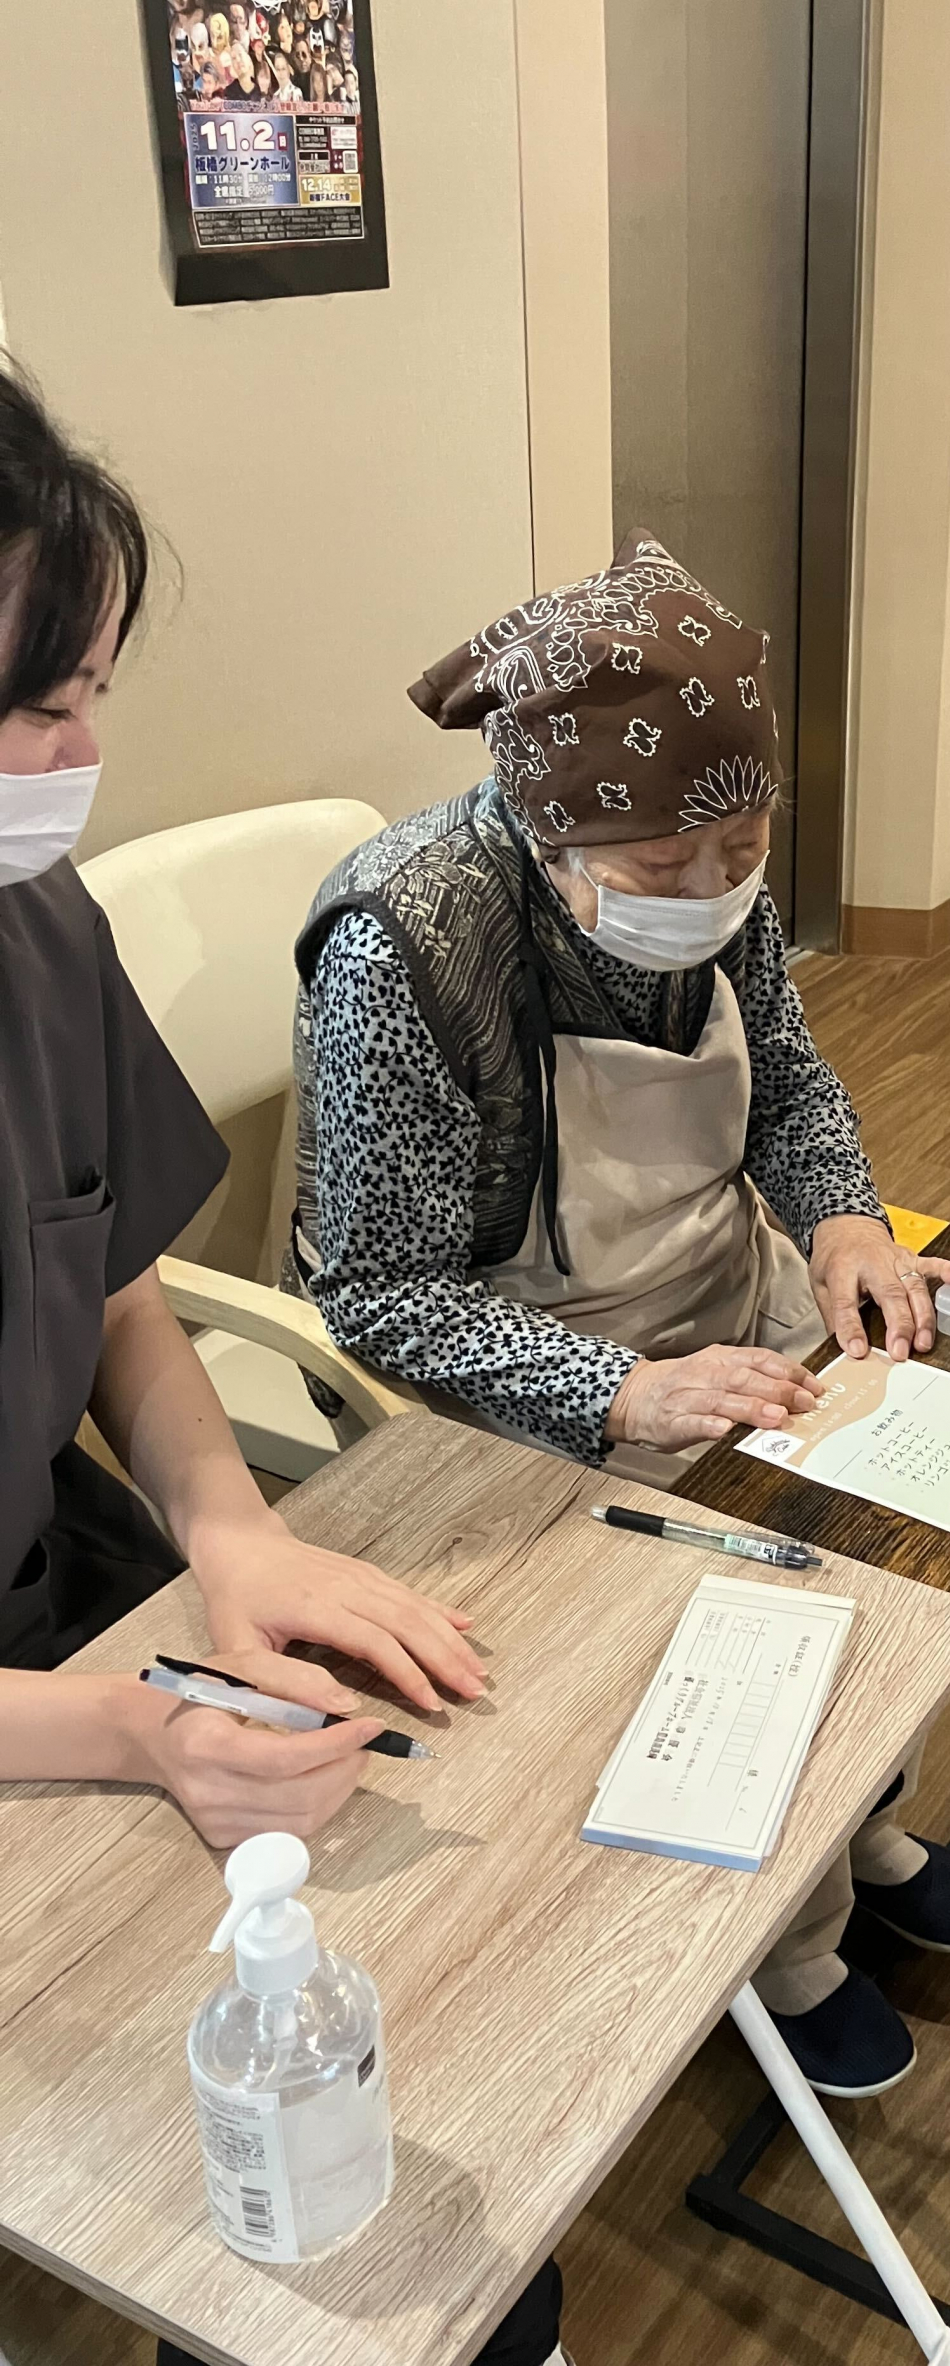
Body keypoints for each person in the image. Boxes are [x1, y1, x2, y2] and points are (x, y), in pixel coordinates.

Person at [0, 372, 576, 2366]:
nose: (81, 758)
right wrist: (124, 1730)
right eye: (35, 704)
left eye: (91, 691)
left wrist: (230, 1528)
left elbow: (111, 1283)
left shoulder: (36, 934)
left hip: (68, 1597)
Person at [291, 534, 950, 2095]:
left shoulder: (714, 875)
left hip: (727, 1289)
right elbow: (373, 1288)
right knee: (762, 1598)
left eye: (741, 849)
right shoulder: (406, 948)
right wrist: (617, 1392)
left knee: (892, 1528)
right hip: (531, 1350)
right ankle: (791, 1949)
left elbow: (793, 1088)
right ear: (549, 831)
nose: (712, 892)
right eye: (662, 870)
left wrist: (845, 1223)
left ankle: (866, 1823)